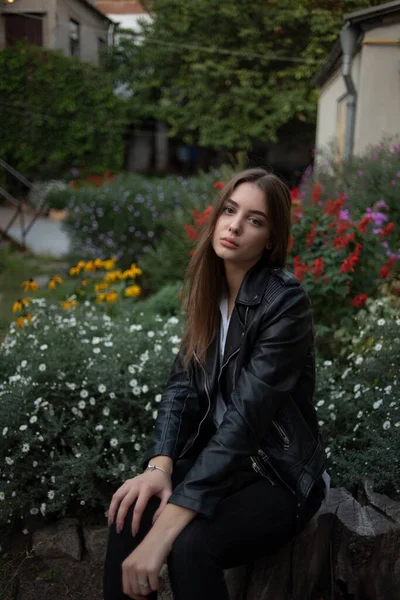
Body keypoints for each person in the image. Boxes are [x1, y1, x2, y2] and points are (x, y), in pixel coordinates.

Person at [103, 168, 328, 600]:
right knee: (128, 515)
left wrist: (164, 531)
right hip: (223, 466)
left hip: (278, 476)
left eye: (255, 220)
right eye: (229, 210)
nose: (235, 225)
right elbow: (179, 389)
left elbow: (245, 421)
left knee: (190, 547)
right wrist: (159, 467)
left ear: (271, 240)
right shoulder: (211, 291)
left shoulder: (286, 302)